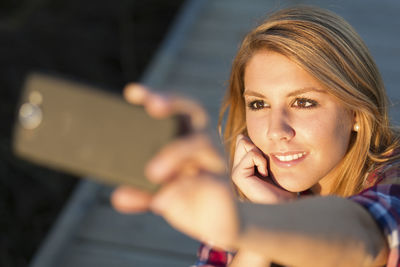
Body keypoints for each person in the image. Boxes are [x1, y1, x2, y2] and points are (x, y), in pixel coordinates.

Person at [111, 6, 400, 267]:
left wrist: (247, 226)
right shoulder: (247, 201)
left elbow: (368, 237)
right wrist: (267, 217)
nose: (276, 131)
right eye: (259, 104)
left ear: (356, 115)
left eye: (303, 102)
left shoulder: (394, 179)